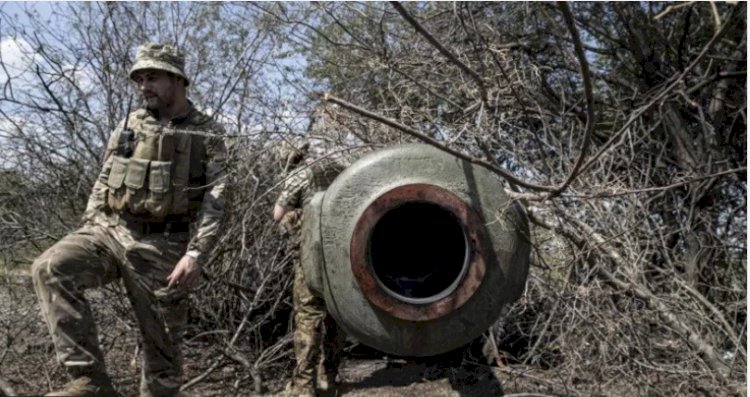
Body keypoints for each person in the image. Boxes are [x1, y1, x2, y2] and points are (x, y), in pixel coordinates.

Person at [31, 43, 227, 397]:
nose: (143, 86)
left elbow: (218, 199)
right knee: (51, 267)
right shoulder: (131, 124)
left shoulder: (207, 133)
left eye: (151, 77)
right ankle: (89, 381)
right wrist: (92, 221)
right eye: (139, 79)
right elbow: (106, 177)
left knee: (163, 360)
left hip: (164, 247)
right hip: (110, 232)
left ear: (176, 79)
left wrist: (196, 254)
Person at [272, 140, 346, 397]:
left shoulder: (300, 175)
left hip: (311, 259)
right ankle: (330, 378)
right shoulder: (343, 169)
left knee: (307, 318)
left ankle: (304, 387)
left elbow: (277, 214)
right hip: (343, 258)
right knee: (338, 317)